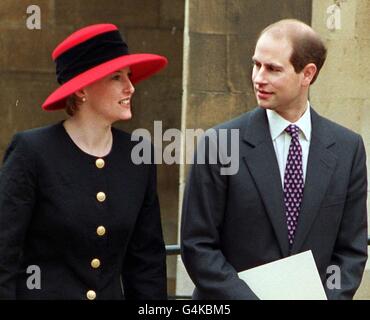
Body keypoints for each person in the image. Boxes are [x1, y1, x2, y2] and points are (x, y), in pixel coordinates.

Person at [181, 19, 368, 300]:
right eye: (256, 64)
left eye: (273, 69)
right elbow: (198, 245)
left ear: (307, 74)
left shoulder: (348, 148)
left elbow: (350, 252)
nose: (258, 77)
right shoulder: (219, 143)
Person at [0, 23, 168, 300]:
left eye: (129, 76)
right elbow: (4, 254)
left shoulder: (138, 154)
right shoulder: (32, 151)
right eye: (116, 77)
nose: (130, 87)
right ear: (82, 90)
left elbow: (146, 262)